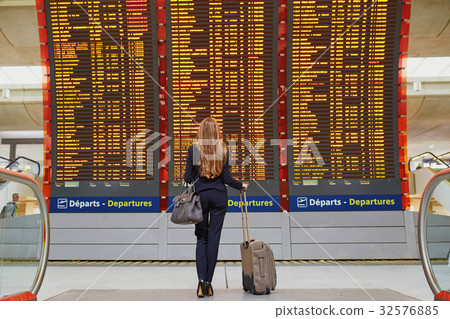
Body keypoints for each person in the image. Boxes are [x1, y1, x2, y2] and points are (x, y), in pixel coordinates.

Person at [184, 117, 248, 298]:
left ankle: (201, 283)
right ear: (216, 131)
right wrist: (241, 185)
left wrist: (195, 170)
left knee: (201, 237)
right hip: (219, 197)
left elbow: (188, 178)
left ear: (201, 131)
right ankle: (209, 283)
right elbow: (227, 179)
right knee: (214, 238)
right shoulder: (224, 149)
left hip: (200, 199)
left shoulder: (193, 149)